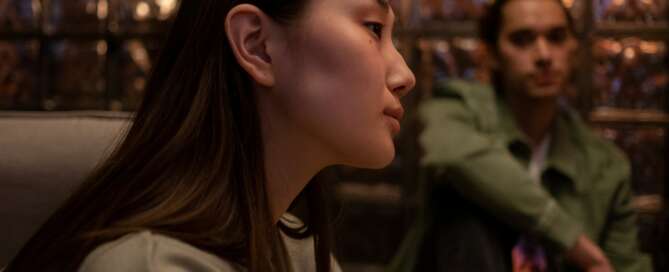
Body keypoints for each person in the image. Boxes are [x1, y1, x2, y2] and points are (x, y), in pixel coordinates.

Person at [5, 0, 415, 271]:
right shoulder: (152, 266)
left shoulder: (299, 251)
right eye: (374, 28)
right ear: (257, 46)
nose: (405, 76)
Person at [389, 0, 652, 271]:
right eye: (522, 40)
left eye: (556, 37)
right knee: (465, 207)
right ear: (490, 54)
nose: (543, 55)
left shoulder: (605, 165)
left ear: (574, 48)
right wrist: (575, 244)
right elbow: (449, 154)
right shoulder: (458, 108)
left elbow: (623, 264)